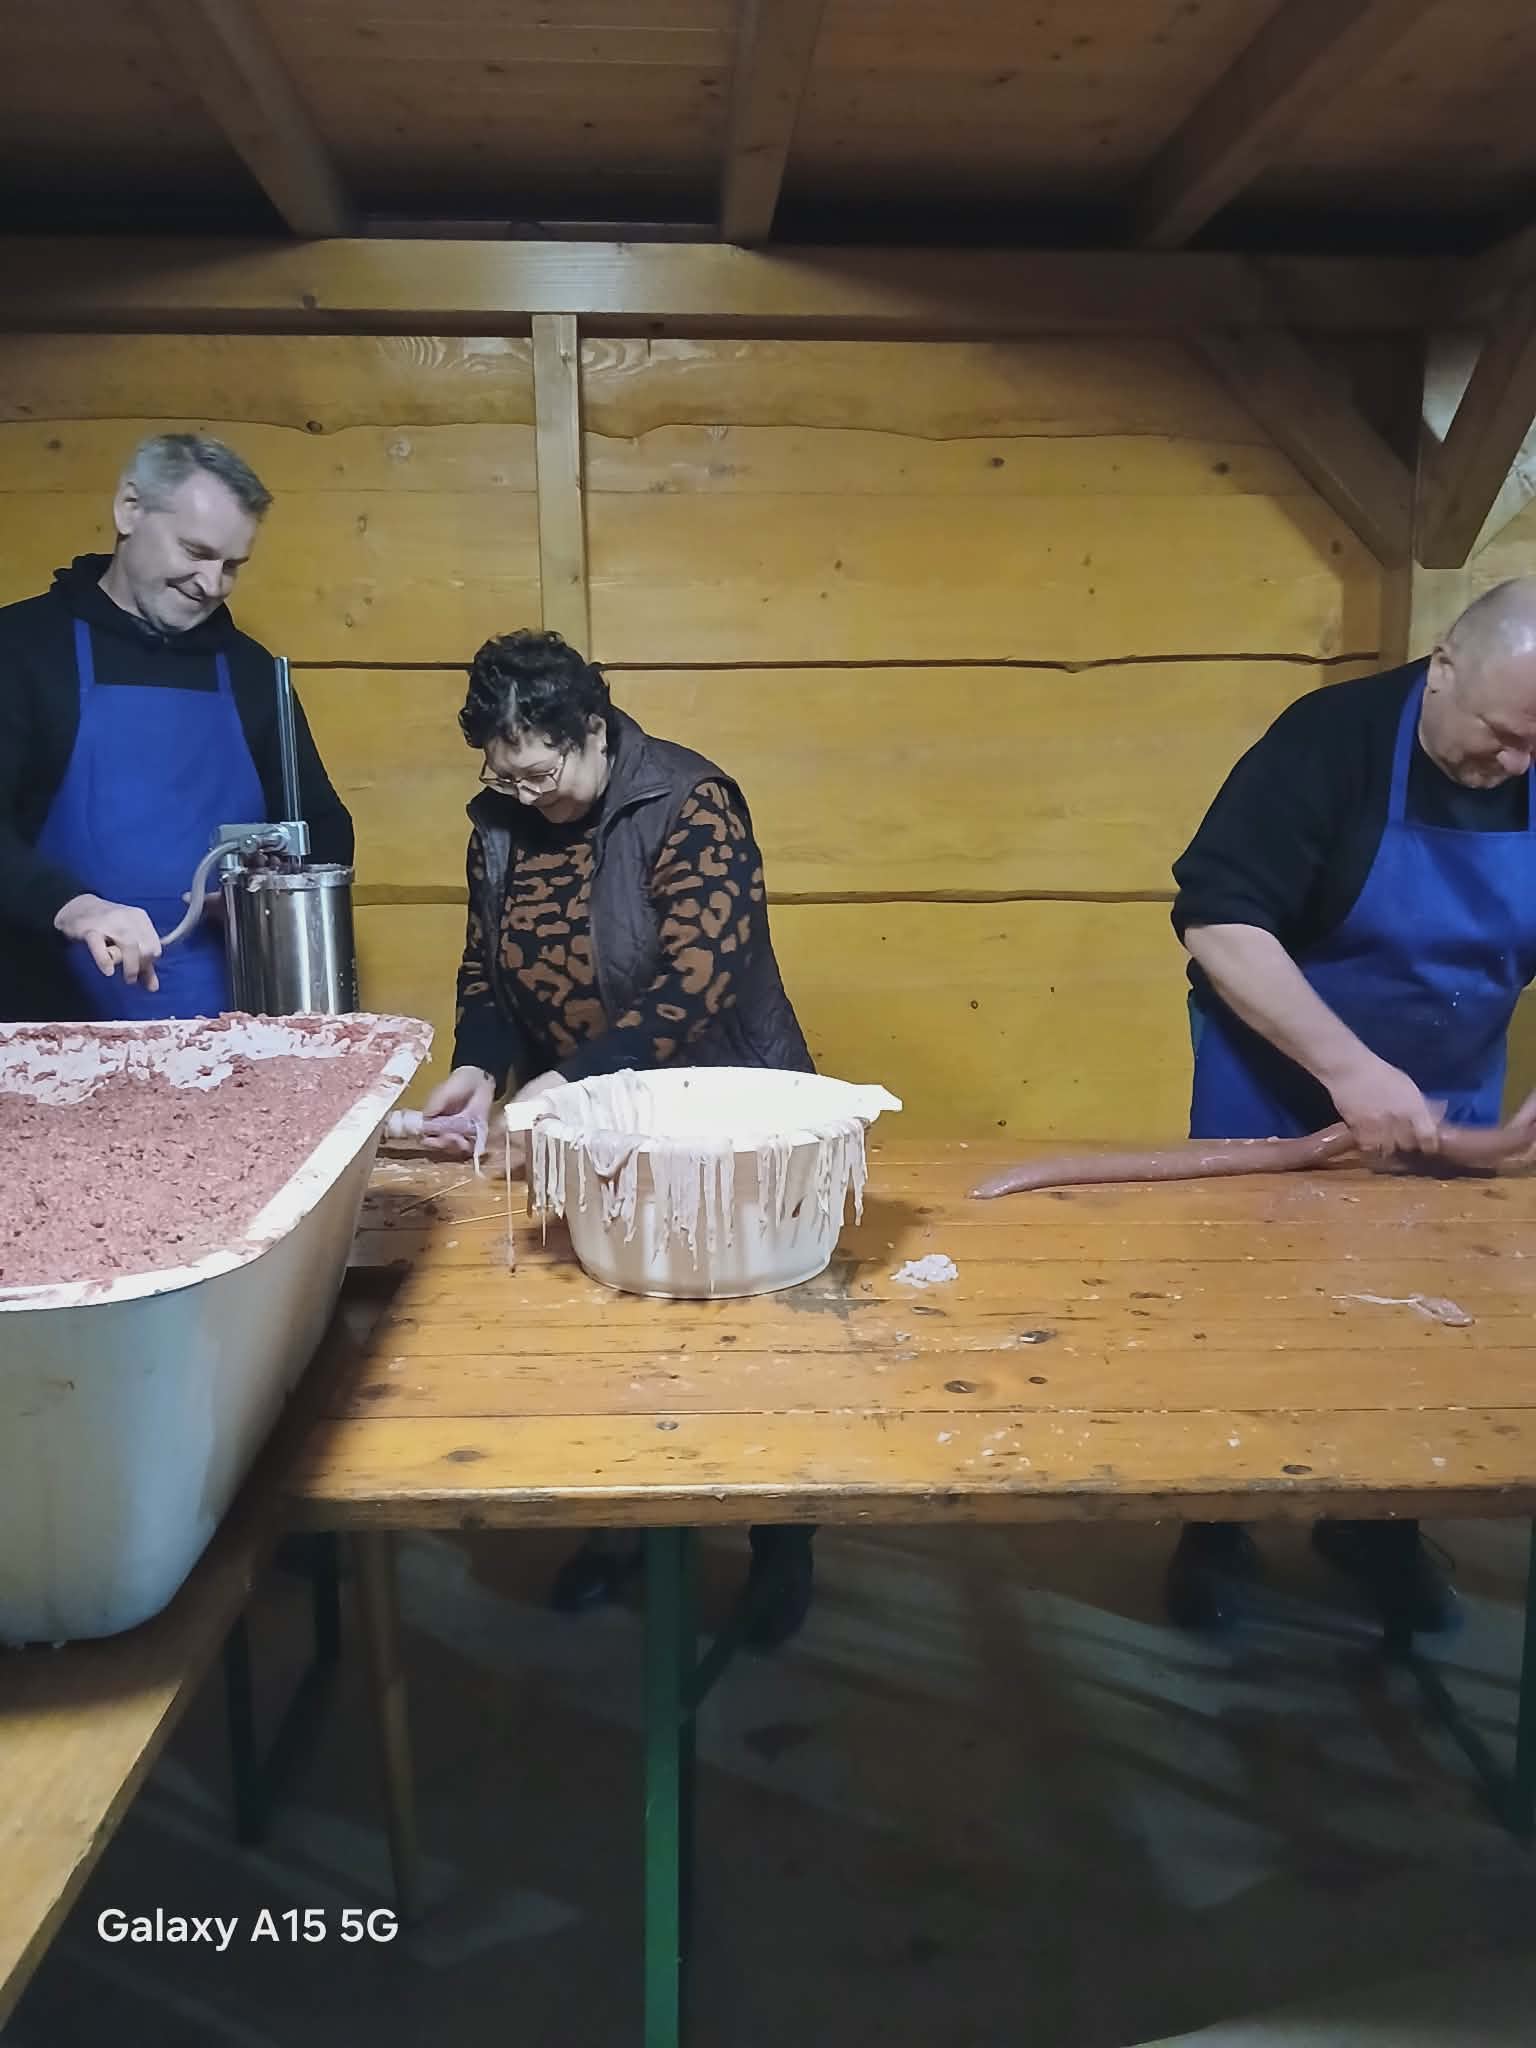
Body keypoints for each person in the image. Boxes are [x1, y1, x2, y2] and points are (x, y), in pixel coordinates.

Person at [423, 628, 817, 1646]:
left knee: (751, 1344)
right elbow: (485, 970)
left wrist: (571, 1080)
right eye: (502, 775)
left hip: (722, 1109)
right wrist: (480, 1066)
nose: (523, 794)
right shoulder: (501, 824)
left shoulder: (689, 801)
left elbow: (699, 980)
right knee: (615, 1339)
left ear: (594, 731)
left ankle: (783, 1542)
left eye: (540, 772)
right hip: (588, 1118)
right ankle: (631, 1525)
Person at [1166, 578, 1536, 1637]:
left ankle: (1376, 1530)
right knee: (1247, 1324)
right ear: (1444, 667)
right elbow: (1220, 917)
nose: (1517, 764)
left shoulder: (1527, 749)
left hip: (1452, 1088)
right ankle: (1213, 1528)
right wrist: (1349, 1070)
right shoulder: (1330, 743)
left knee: (1418, 1328)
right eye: (1501, 735)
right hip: (1275, 1083)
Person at [0, 433, 353, 1022]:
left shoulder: (252, 672)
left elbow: (324, 826)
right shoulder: (20, 650)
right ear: (129, 510)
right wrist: (73, 907)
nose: (211, 583)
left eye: (231, 566)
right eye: (195, 551)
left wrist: (258, 896)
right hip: (51, 1029)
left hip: (235, 1030)